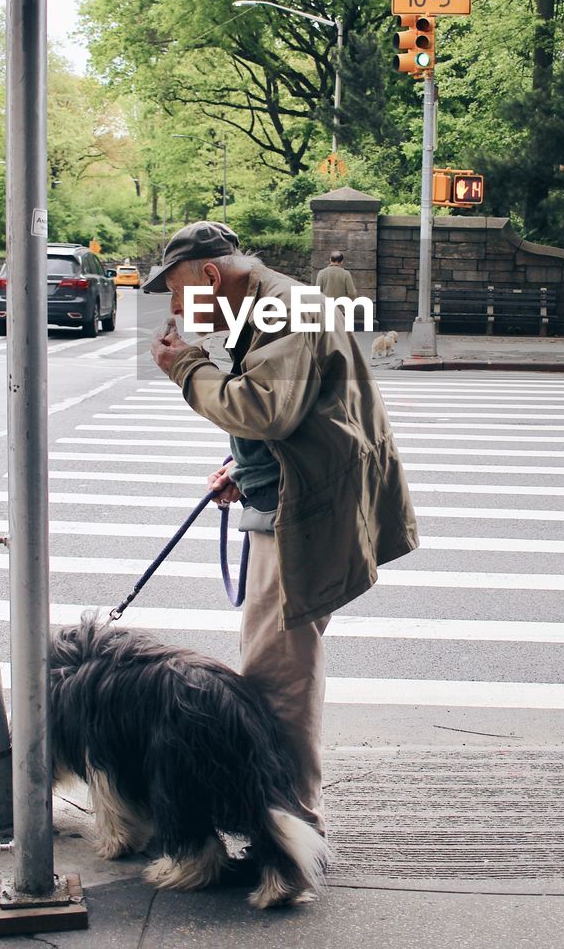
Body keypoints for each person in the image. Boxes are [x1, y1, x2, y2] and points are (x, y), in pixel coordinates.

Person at [147, 221, 417, 854]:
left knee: (277, 676)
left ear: (210, 275)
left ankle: (288, 823)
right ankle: (284, 813)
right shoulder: (266, 308)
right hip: (294, 496)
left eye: (182, 297)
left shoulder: (286, 309)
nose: (179, 314)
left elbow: (267, 408)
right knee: (280, 667)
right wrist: (246, 469)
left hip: (304, 515)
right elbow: (289, 420)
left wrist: (184, 367)